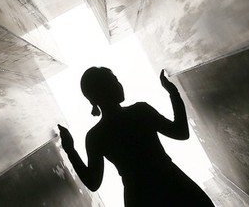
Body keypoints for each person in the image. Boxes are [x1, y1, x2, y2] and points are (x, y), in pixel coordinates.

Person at [58, 67, 214, 206]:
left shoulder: (95, 136)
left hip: (139, 197)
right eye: (114, 81)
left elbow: (93, 182)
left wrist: (70, 150)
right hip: (173, 183)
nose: (119, 85)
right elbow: (181, 133)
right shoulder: (140, 110)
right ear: (103, 91)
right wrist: (173, 93)